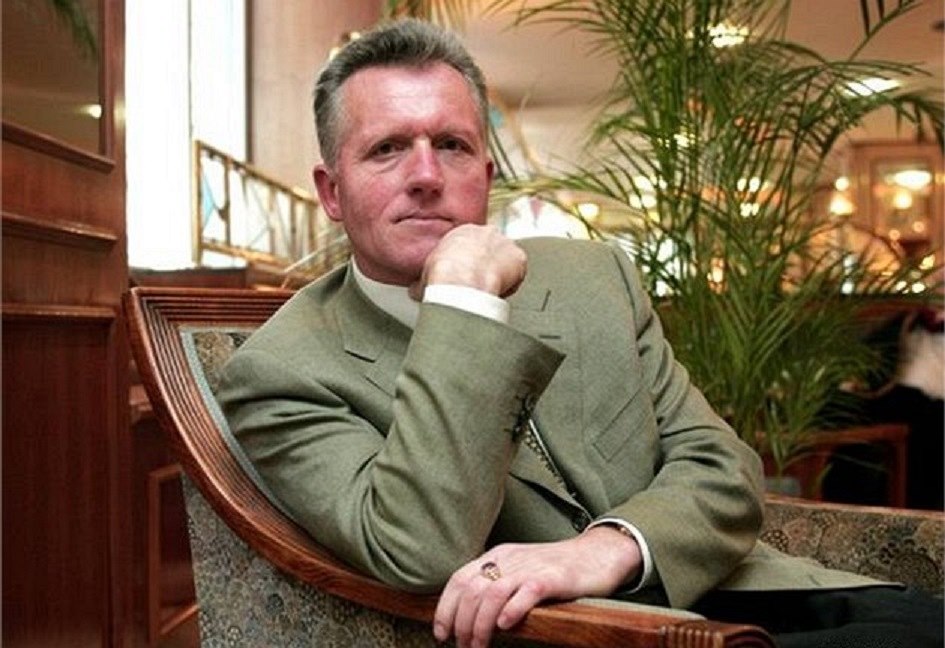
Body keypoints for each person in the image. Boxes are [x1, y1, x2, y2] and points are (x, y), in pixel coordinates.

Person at [216, 18, 942, 648]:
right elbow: (418, 548)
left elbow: (722, 468)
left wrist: (606, 548)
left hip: (741, 589)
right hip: (579, 636)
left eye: (453, 145)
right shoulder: (281, 371)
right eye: (387, 149)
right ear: (331, 191)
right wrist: (462, 300)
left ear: (486, 175)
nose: (427, 174)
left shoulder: (593, 277)